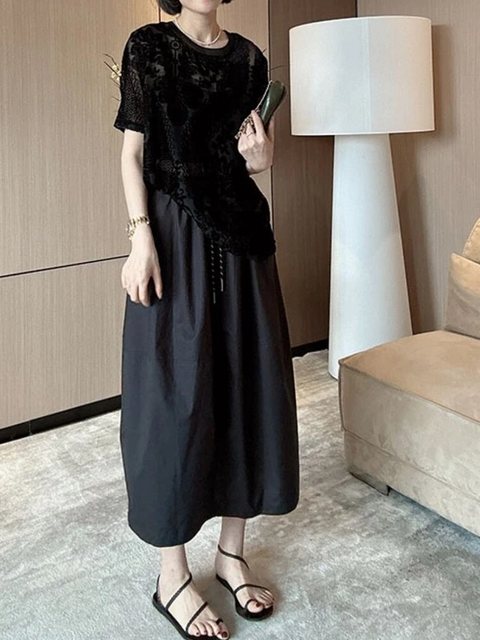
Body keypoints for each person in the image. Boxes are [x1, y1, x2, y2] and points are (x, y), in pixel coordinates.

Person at [113, 1, 300, 638]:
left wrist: (262, 159)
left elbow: (247, 160)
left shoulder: (249, 58)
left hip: (243, 243)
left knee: (246, 387)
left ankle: (231, 554)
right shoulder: (148, 46)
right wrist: (140, 237)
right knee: (173, 397)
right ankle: (172, 576)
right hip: (172, 238)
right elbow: (132, 155)